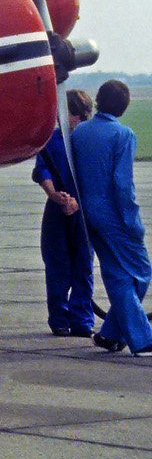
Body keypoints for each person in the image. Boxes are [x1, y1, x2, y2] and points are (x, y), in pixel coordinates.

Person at [69, 79, 152, 355]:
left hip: (87, 214)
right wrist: (133, 222)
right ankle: (143, 339)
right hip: (115, 215)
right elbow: (122, 185)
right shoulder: (124, 135)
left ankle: (110, 335)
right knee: (140, 271)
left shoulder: (79, 133)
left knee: (117, 275)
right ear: (124, 107)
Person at [32, 90, 95, 337]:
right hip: (57, 210)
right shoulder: (51, 140)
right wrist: (54, 195)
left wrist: (78, 202)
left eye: (62, 111)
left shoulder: (88, 140)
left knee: (83, 266)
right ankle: (59, 318)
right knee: (57, 264)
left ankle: (82, 319)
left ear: (74, 113)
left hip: (82, 211)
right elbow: (42, 168)